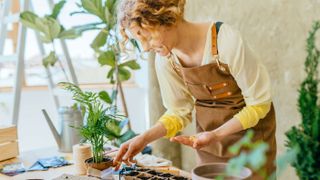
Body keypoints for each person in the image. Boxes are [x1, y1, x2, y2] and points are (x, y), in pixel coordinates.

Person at [114, 0, 276, 178]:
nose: (145, 47)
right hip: (209, 145)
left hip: (251, 141)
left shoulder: (225, 41)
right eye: (139, 40)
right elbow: (178, 111)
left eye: (149, 37)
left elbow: (259, 104)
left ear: (169, 19)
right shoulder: (166, 60)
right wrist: (144, 138)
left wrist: (215, 134)